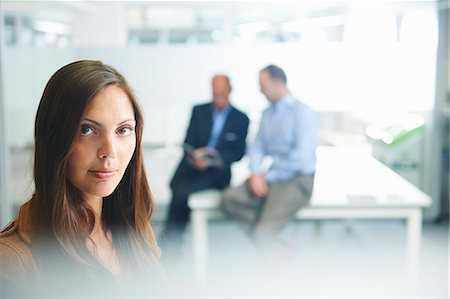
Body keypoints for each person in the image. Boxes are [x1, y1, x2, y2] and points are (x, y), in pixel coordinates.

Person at [0, 60, 163, 297]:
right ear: (54, 138)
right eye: (87, 130)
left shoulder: (135, 229)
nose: (109, 151)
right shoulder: (12, 260)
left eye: (123, 130)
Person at [222, 64, 318, 254]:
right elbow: (257, 146)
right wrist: (256, 172)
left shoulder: (303, 112)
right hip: (271, 177)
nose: (260, 90)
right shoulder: (267, 114)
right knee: (229, 200)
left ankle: (267, 240)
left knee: (263, 233)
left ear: (278, 83)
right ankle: (274, 242)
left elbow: (301, 157)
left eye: (263, 85)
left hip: (298, 180)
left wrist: (267, 177)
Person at [161, 75, 249, 249]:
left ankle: (171, 241)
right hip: (193, 166)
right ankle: (171, 239)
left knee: (181, 191)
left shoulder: (241, 118)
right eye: (215, 93)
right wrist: (196, 156)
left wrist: (215, 158)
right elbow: (188, 141)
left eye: (222, 94)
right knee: (177, 185)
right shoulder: (199, 111)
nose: (218, 98)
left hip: (217, 172)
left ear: (230, 91)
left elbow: (238, 152)